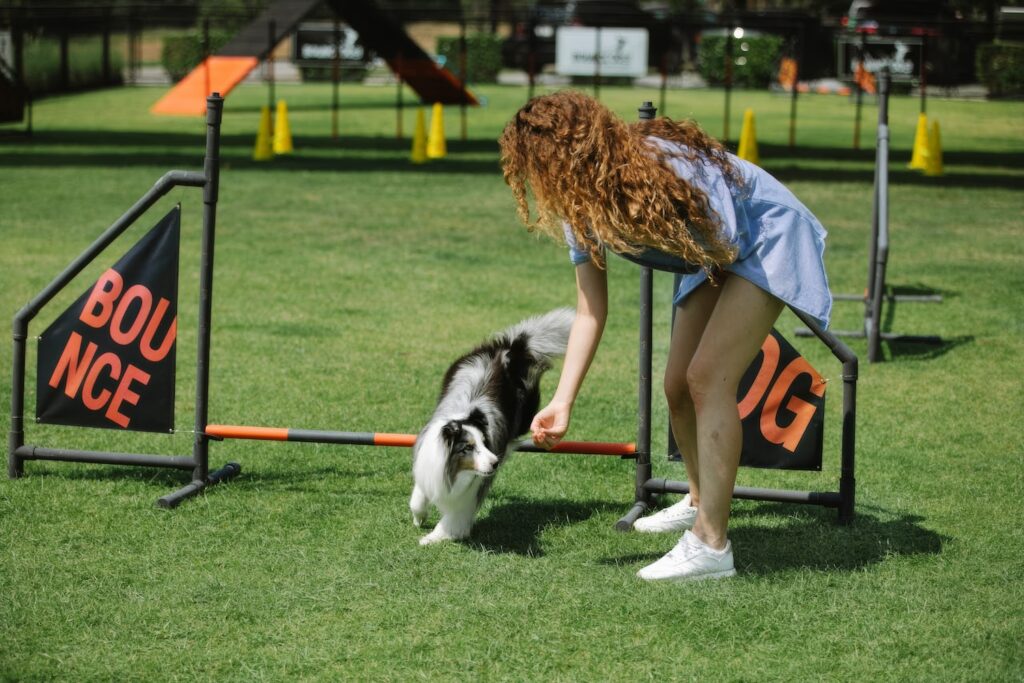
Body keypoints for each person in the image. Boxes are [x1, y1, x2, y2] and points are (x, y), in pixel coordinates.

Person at [498, 91, 831, 582]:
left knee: (707, 378)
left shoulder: (663, 165)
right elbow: (591, 310)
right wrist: (563, 402)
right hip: (716, 254)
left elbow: (729, 230)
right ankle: (698, 500)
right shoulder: (579, 205)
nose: (537, 180)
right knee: (678, 385)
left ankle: (711, 544)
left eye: (539, 164)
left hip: (764, 236)